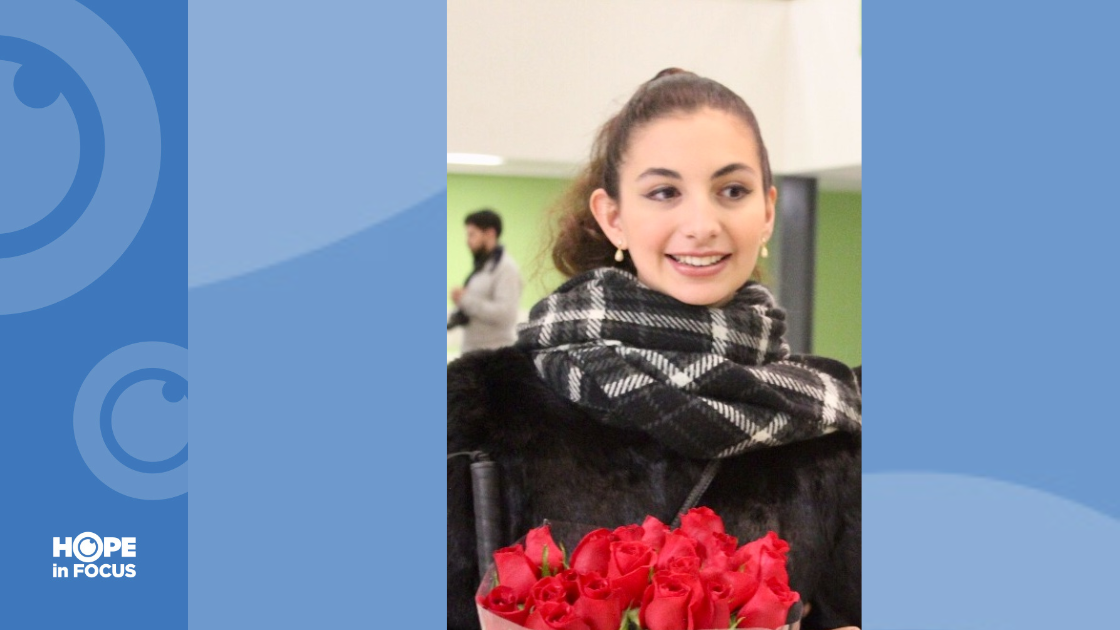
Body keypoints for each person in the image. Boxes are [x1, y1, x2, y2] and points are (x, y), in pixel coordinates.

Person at [448, 69, 861, 630]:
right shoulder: (484, 405)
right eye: (664, 192)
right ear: (613, 217)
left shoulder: (830, 426)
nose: (702, 224)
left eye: (732, 191)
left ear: (767, 212)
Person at [448, 209, 523, 353]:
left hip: (493, 357)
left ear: (490, 234)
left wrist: (465, 300)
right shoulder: (483, 267)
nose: (467, 241)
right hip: (474, 353)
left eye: (472, 234)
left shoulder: (506, 268)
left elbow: (506, 314)